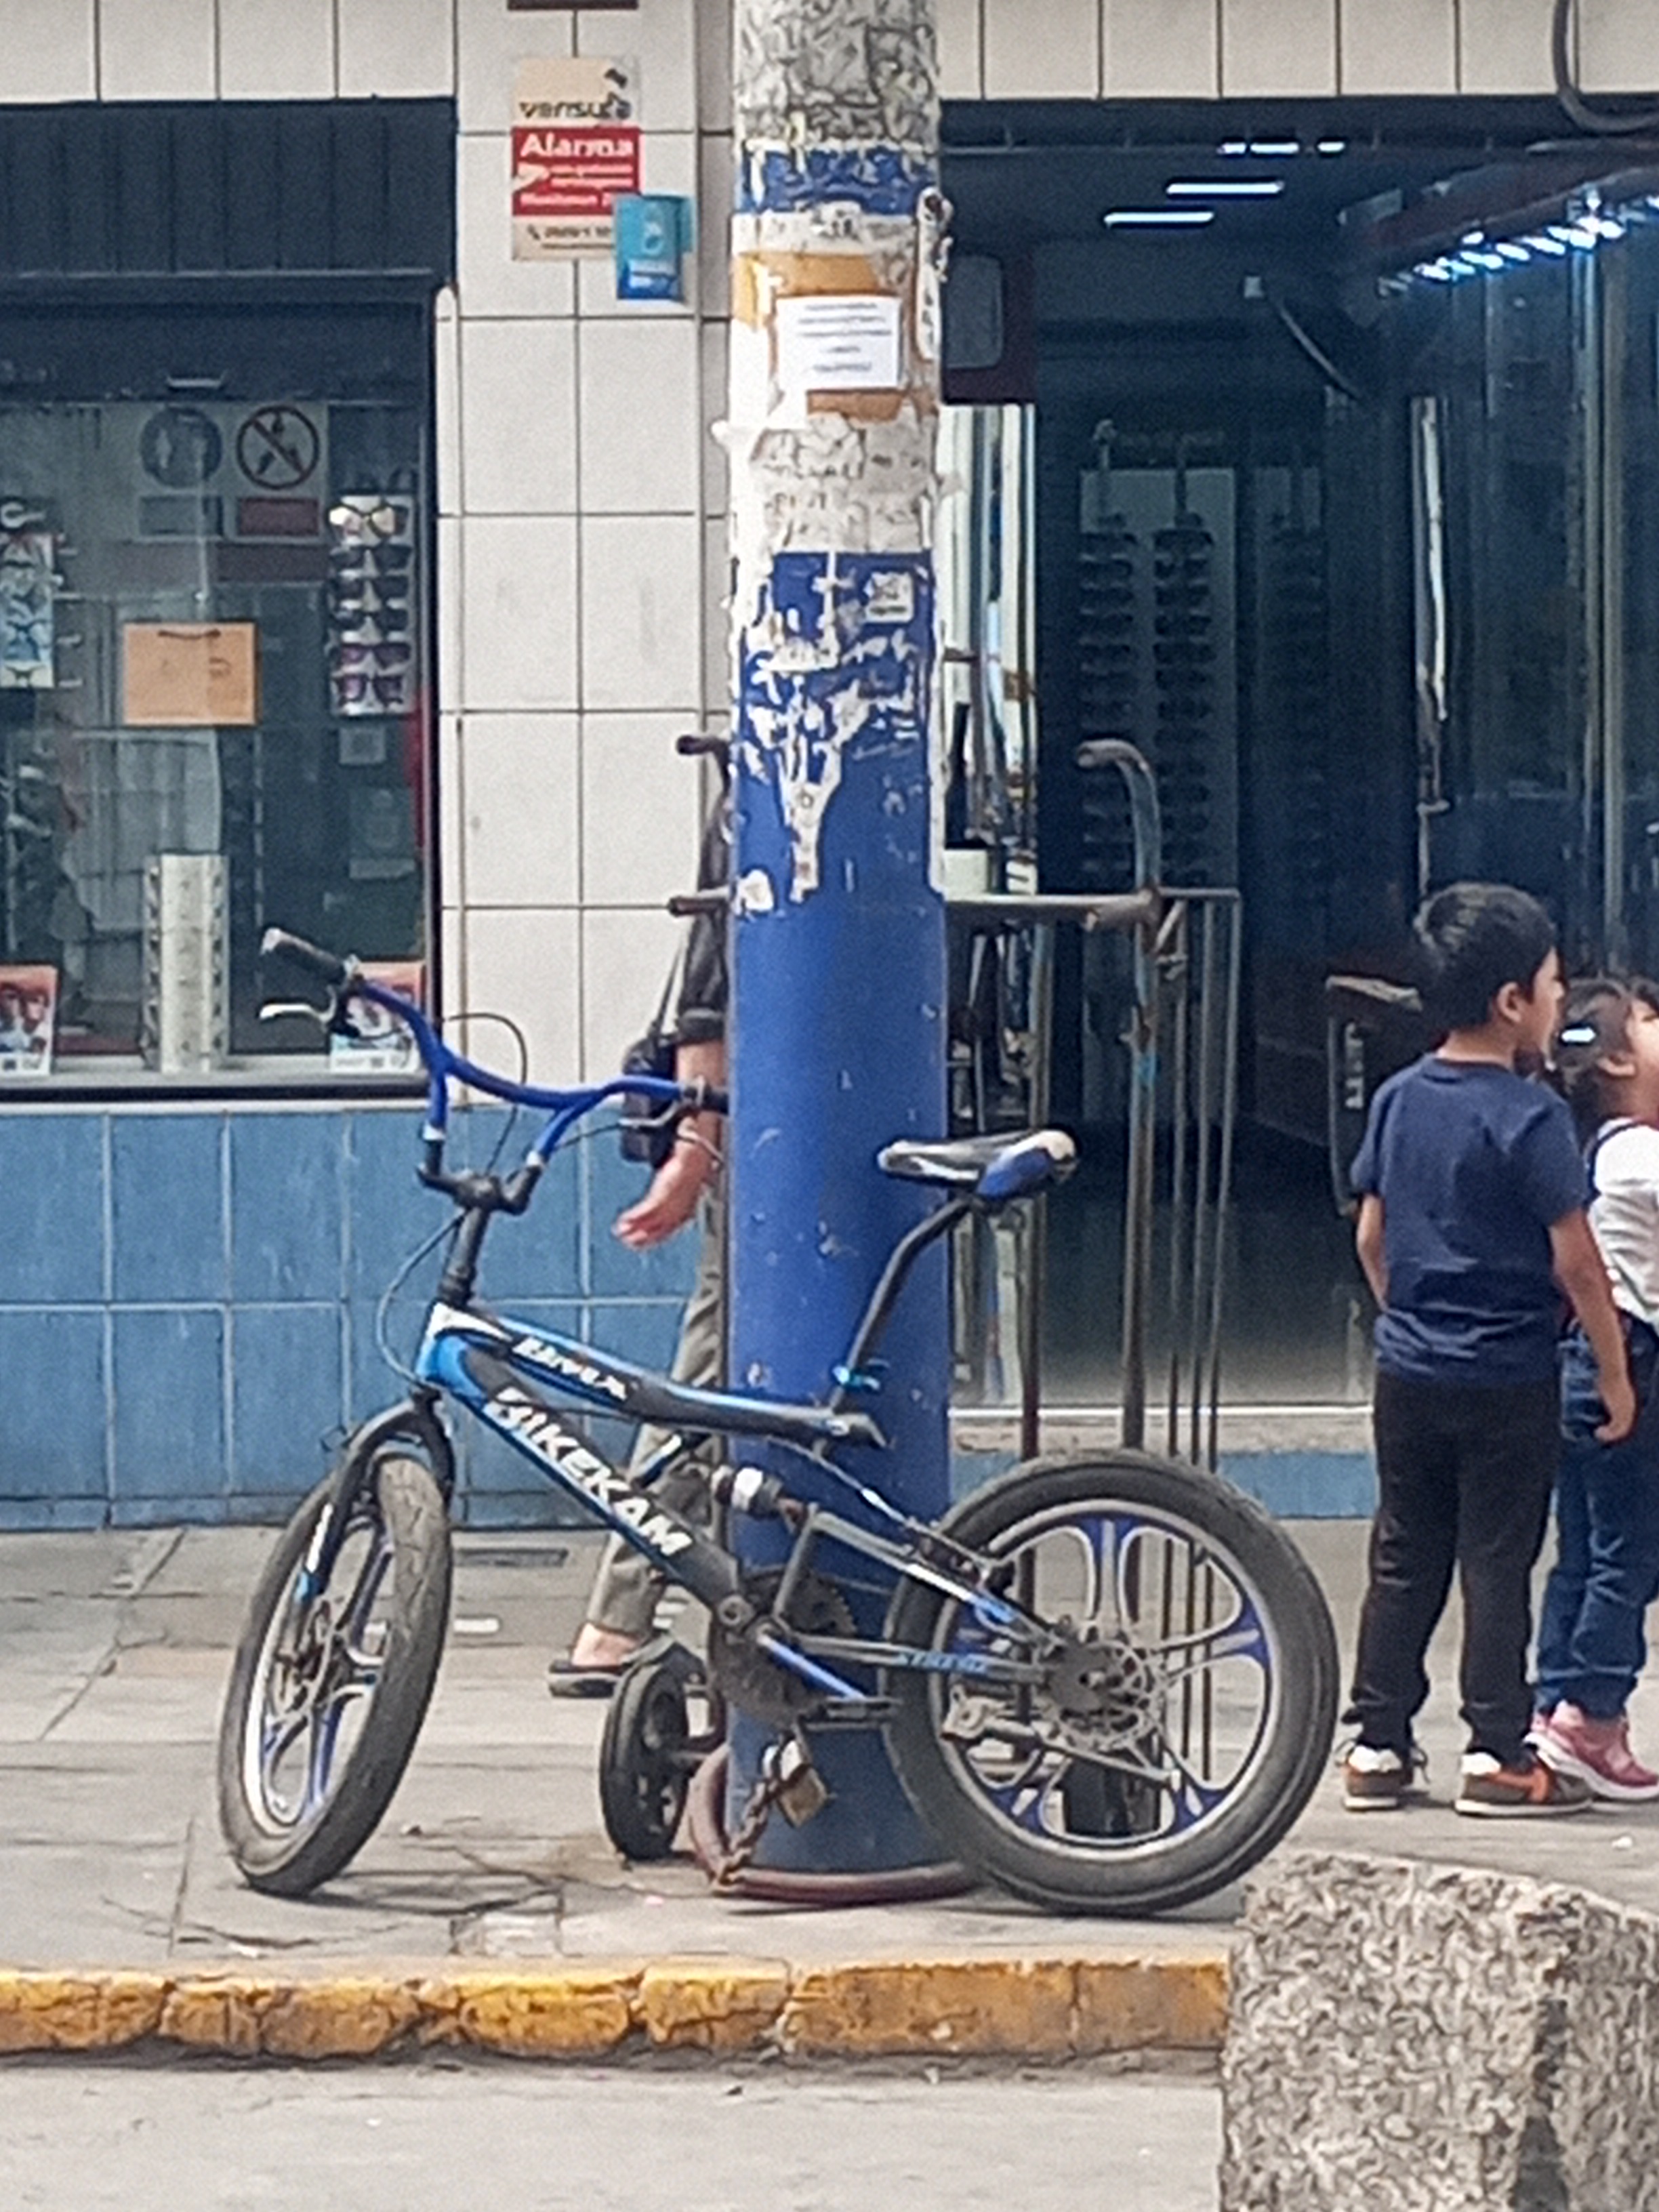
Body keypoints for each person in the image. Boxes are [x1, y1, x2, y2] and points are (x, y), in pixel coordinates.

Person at [1340, 882, 1635, 1818]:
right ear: (1512, 1002)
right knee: (1498, 1561)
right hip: (1509, 1376)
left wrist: (1406, 1319)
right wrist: (1614, 1371)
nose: (1561, 1000)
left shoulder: (1399, 1099)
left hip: (1409, 1371)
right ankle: (1498, 1752)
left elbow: (1373, 1236)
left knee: (1404, 1553)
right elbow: (1578, 1262)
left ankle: (1377, 1744)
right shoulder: (1530, 1116)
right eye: (1552, 985)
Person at [547, 797, 729, 1694]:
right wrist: (695, 1148)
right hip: (767, 1145)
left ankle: (634, 1615)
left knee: (720, 1385)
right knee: (706, 1383)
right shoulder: (759, 796)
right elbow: (706, 996)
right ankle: (618, 1617)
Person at [1532, 977, 1659, 1799]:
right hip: (1630, 1365)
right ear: (1616, 1061)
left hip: (1582, 1363)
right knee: (1630, 1553)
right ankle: (1595, 1717)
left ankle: (1555, 1706)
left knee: (1582, 1549)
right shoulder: (1639, 1154)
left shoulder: (1599, 1150)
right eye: (1648, 1020)